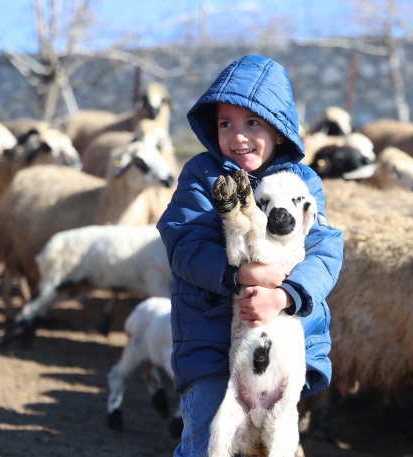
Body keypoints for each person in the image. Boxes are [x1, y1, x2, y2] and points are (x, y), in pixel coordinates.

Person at [157, 55, 343, 457]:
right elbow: (183, 243)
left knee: (274, 443)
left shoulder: (302, 181)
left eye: (252, 123)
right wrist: (239, 276)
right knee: (208, 440)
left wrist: (287, 294)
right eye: (226, 124)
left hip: (280, 342)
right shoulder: (203, 175)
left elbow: (325, 248)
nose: (238, 136)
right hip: (209, 337)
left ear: (278, 129)